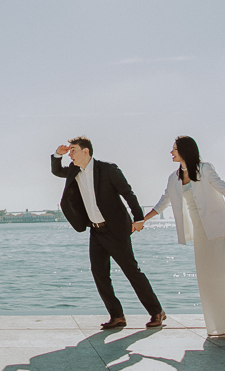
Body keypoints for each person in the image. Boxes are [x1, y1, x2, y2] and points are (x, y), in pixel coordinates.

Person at [139, 136, 225, 336]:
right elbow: (163, 202)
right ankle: (222, 323)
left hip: (217, 230)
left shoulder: (205, 169)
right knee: (209, 278)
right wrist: (144, 220)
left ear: (185, 151)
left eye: (174, 149)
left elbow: (224, 189)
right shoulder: (173, 178)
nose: (171, 152)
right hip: (200, 233)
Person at [52, 136, 166, 329]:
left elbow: (127, 193)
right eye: (69, 151)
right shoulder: (74, 170)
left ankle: (157, 312)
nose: (70, 154)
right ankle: (117, 316)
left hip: (116, 229)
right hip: (95, 231)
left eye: (73, 150)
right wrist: (57, 155)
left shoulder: (108, 169)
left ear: (85, 151)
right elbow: (56, 171)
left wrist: (138, 219)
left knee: (132, 272)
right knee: (99, 273)